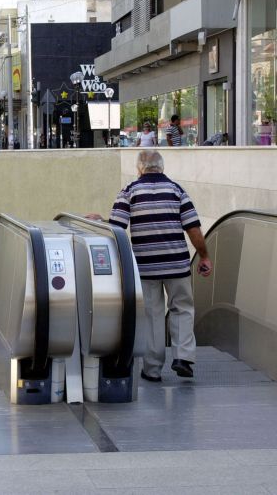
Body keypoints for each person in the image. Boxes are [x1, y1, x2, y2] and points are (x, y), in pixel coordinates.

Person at [88, 150, 212, 382]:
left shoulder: (129, 191)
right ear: (161, 167)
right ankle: (183, 357)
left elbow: (117, 229)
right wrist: (204, 256)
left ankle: (152, 369)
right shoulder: (177, 191)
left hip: (145, 267)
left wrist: (100, 221)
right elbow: (193, 228)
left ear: (139, 169)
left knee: (152, 315)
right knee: (182, 308)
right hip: (177, 265)